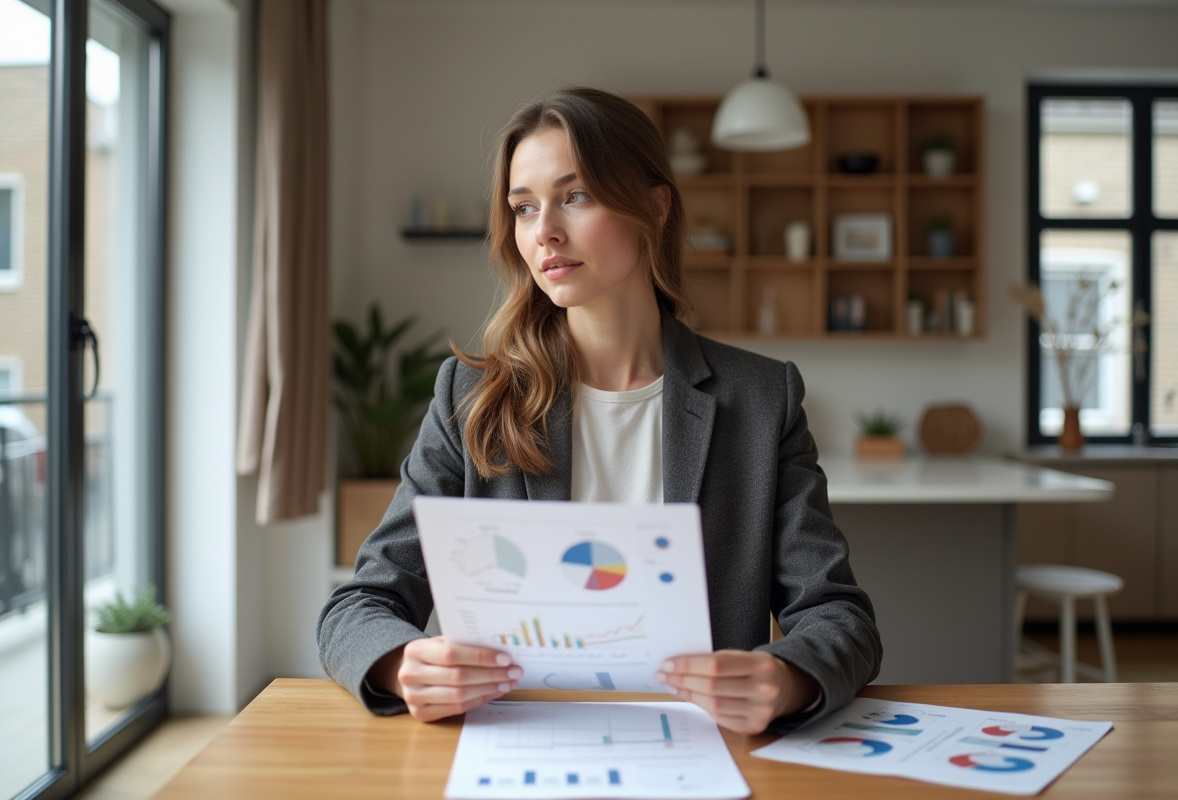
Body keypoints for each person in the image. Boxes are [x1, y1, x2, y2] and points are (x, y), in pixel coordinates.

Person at [317, 87, 881, 735]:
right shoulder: (471, 398)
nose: (544, 231)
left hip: (701, 752)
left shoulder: (761, 399)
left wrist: (788, 677)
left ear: (655, 205)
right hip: (517, 747)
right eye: (523, 208)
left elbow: (840, 617)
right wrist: (402, 663)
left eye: (574, 196)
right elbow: (358, 605)